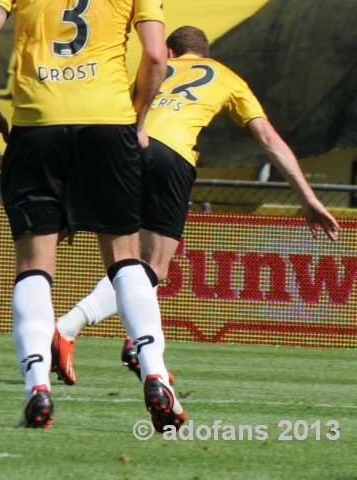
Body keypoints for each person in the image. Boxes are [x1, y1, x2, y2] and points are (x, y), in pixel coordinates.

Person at [0, 0, 180, 431]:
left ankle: (37, 382)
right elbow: (157, 55)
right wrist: (137, 119)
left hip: (37, 120)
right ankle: (157, 372)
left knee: (36, 263)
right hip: (107, 120)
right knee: (124, 256)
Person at [51, 26, 340, 386]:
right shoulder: (228, 77)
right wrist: (308, 198)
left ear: (170, 52)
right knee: (152, 267)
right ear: (204, 53)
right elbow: (267, 137)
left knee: (132, 263)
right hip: (170, 155)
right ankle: (69, 328)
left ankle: (138, 347)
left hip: (122, 148)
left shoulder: (150, 70)